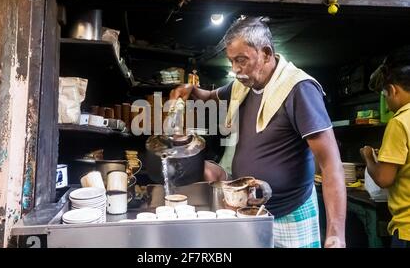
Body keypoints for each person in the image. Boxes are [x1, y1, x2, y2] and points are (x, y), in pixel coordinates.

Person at [170, 16, 346, 248]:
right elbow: (211, 96)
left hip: (290, 212)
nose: (235, 70)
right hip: (251, 210)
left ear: (265, 53)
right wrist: (191, 89)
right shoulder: (243, 85)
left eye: (241, 60)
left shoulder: (298, 89)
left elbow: (331, 163)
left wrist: (336, 233)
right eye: (231, 61)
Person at [360, 46, 410, 248]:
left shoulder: (399, 122)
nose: (387, 105)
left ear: (392, 90)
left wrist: (369, 157)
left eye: (384, 96)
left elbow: (383, 178)